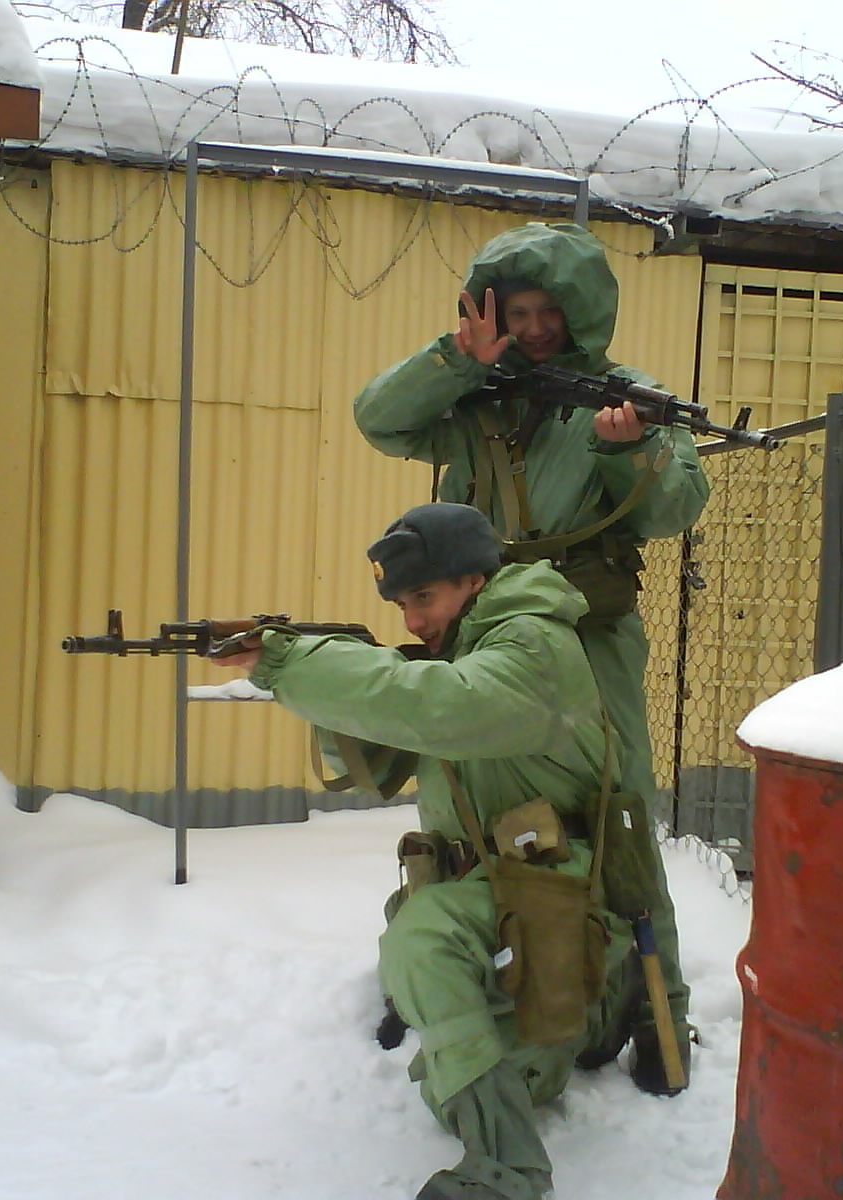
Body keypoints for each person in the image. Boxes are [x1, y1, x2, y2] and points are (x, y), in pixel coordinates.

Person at [215, 503, 654, 1200]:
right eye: (401, 605)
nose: (414, 620)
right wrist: (332, 687)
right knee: (445, 1087)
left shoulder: (534, 643)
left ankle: (510, 1170)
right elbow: (371, 766)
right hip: (500, 894)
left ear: (474, 580)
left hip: (558, 889)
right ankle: (584, 1015)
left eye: (424, 597)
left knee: (424, 946)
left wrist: (297, 664)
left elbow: (442, 707)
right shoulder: (462, 652)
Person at [353, 221, 707, 1069]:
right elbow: (379, 420)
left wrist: (625, 452)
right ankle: (439, 980)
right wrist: (456, 360)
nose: (539, 328)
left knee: (616, 807)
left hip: (587, 636)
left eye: (553, 311)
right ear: (491, 313)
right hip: (473, 630)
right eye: (519, 311)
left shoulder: (628, 398)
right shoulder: (473, 391)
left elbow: (675, 507)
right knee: (457, 801)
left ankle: (653, 1008)